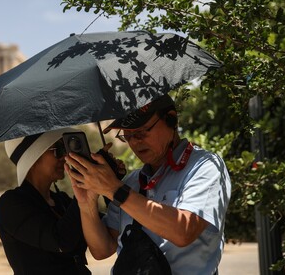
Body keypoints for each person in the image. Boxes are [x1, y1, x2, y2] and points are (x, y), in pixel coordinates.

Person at [65, 94, 231, 275]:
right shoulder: (131, 182)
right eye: (127, 135)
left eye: (142, 131)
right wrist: (87, 202)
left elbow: (183, 231)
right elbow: (102, 250)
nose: (135, 141)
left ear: (171, 119)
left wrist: (113, 189)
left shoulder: (205, 166)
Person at [0, 127, 92, 275]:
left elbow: (104, 225)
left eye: (65, 148)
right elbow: (61, 241)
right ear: (33, 159)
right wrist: (84, 190)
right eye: (58, 149)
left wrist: (110, 186)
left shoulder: (62, 201)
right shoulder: (11, 204)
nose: (65, 156)